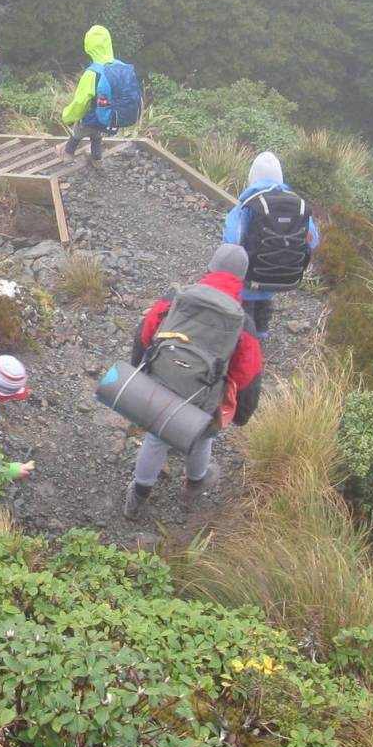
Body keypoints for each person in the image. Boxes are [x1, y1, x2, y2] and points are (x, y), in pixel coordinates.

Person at [122, 244, 263, 519]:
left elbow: (145, 334)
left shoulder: (176, 298)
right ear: (242, 281)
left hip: (161, 382)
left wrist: (137, 374)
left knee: (157, 436)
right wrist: (242, 414)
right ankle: (194, 484)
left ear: (209, 269)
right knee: (201, 438)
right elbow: (247, 374)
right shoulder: (242, 322)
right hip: (202, 398)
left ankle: (137, 498)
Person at [222, 151, 321, 341]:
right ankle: (261, 331)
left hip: (250, 277)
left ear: (252, 176)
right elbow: (313, 240)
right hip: (283, 276)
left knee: (246, 307)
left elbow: (233, 239)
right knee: (264, 300)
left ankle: (245, 340)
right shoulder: (297, 206)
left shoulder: (247, 206)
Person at [61, 24, 118, 163]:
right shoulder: (118, 67)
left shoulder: (92, 73)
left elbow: (80, 102)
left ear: (89, 46)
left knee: (76, 134)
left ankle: (68, 155)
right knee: (97, 137)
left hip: (92, 117)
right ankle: (97, 160)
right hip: (111, 117)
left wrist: (68, 116)